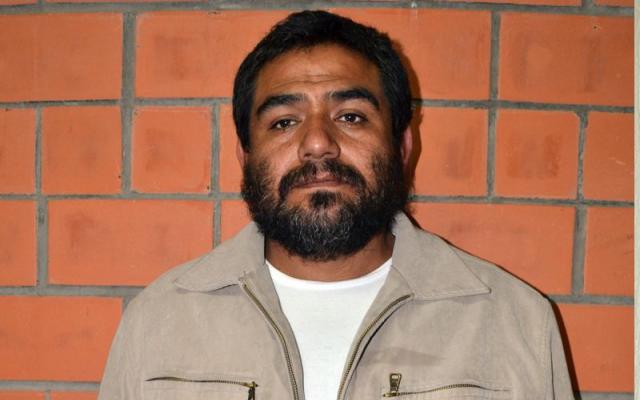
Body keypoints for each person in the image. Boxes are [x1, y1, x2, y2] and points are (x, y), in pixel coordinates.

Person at [98, 10, 574, 400]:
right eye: (284, 122)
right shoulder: (159, 321)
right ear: (245, 155)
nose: (318, 143)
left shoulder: (514, 322)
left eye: (351, 116)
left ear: (402, 147)